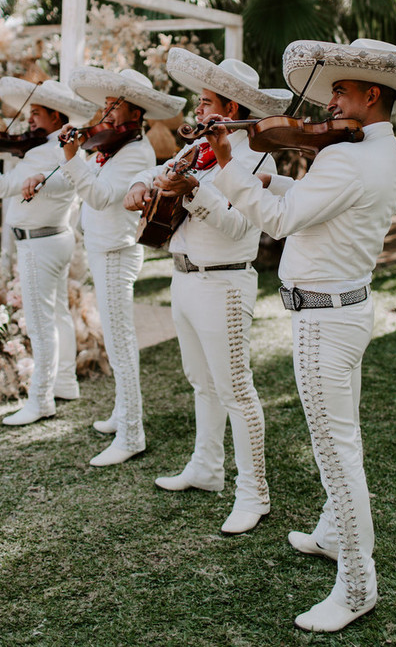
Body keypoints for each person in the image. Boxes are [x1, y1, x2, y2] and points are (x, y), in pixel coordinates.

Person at [205, 38, 396, 631]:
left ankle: (358, 586)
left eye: (340, 90)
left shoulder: (345, 158)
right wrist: (272, 182)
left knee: (336, 456)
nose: (329, 102)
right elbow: (322, 203)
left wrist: (229, 166)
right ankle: (334, 533)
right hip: (348, 309)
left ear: (371, 93)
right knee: (345, 441)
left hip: (322, 321)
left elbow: (281, 223)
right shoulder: (380, 151)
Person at [124, 50, 292, 534]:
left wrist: (194, 191)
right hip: (183, 277)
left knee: (236, 390)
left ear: (230, 109)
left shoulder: (255, 156)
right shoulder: (195, 147)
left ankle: (254, 493)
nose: (197, 110)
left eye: (205, 102)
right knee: (201, 382)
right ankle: (206, 467)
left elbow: (239, 225)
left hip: (225, 282)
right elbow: (159, 171)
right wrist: (140, 183)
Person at [22, 68, 186, 467]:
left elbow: (98, 196)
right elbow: (79, 179)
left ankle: (132, 432)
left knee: (120, 343)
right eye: (106, 105)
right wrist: (52, 171)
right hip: (101, 249)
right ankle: (121, 412)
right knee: (116, 340)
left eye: (115, 106)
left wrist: (70, 157)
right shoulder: (111, 146)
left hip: (116, 253)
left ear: (136, 113)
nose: (106, 112)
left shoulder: (137, 152)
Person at [0, 77, 98, 425]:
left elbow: (1, 186)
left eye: (36, 113)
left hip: (38, 243)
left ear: (56, 117)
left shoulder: (44, 151)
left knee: (40, 323)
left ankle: (41, 400)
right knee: (59, 315)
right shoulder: (58, 148)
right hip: (56, 238)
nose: (29, 120)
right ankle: (65, 382)